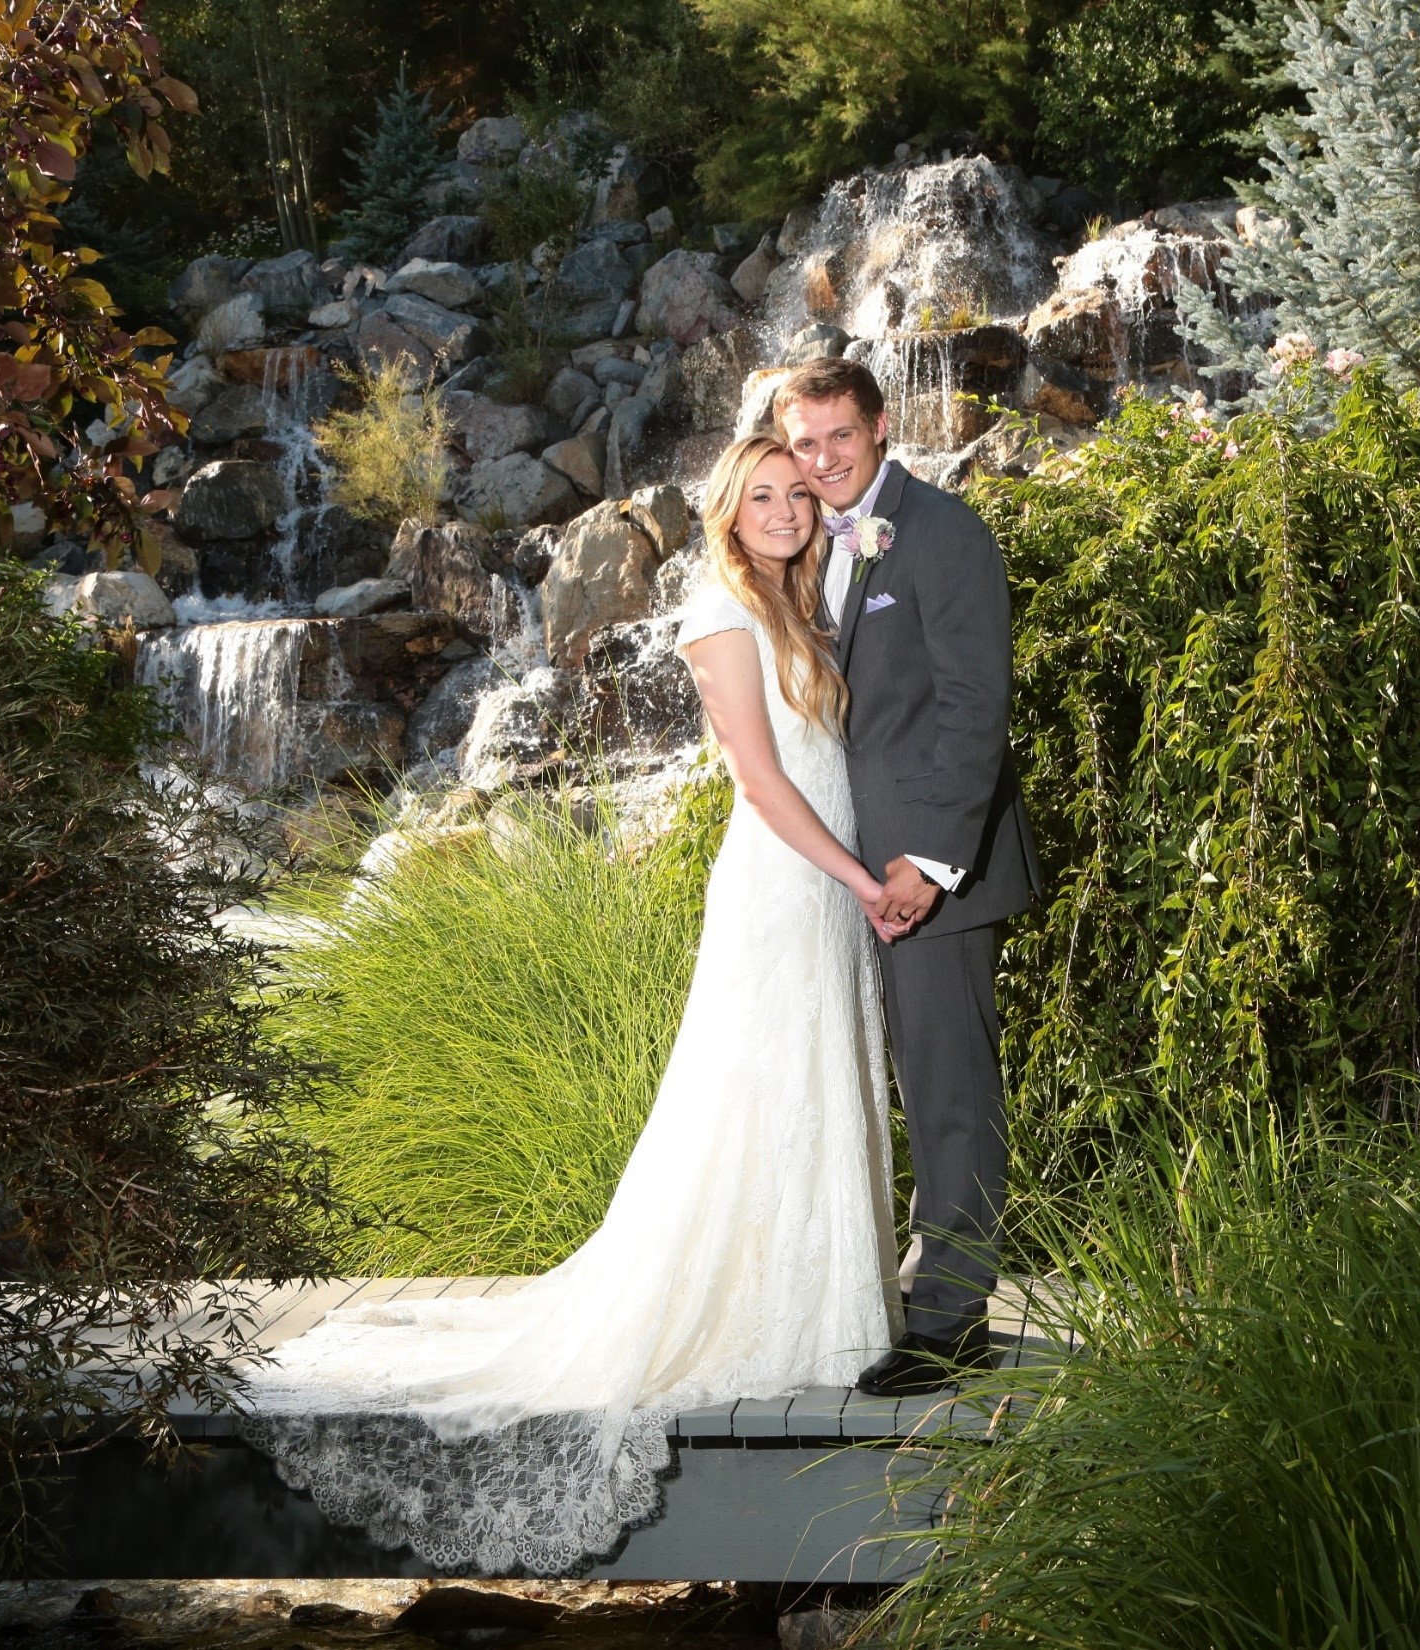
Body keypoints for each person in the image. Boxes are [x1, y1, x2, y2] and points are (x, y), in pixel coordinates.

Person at [240, 436, 905, 1576]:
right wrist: (854, 878)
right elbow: (755, 776)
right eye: (763, 497)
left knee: (819, 1079)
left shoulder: (807, 603)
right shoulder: (716, 614)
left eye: (799, 494)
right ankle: (775, 1313)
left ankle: (826, 1307)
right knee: (766, 1083)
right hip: (790, 883)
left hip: (833, 879)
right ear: (725, 512)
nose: (787, 510)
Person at [773, 357, 1042, 1398]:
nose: (824, 458)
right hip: (846, 869)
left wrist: (927, 861)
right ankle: (871, 1293)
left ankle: (948, 1322)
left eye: (839, 435)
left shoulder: (941, 532)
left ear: (879, 428)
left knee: (948, 1093)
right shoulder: (810, 546)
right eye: (805, 442)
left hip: (932, 871)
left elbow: (976, 706)